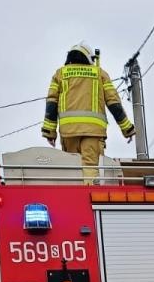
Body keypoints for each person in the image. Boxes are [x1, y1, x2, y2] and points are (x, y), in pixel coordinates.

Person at [41, 43, 135, 181]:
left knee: (72, 171)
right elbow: (114, 103)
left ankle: (72, 201)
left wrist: (49, 132)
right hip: (93, 133)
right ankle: (89, 200)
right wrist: (127, 128)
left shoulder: (60, 74)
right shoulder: (99, 74)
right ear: (89, 57)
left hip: (69, 132)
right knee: (90, 169)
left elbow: (51, 103)